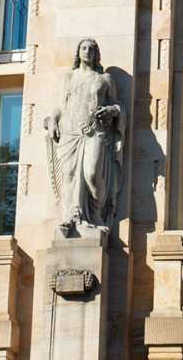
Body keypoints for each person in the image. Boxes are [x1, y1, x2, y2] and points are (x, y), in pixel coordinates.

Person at [46, 39, 124, 236]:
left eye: (91, 48)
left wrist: (111, 110)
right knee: (69, 176)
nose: (87, 51)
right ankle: (70, 217)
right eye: (83, 48)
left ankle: (96, 215)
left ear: (96, 53)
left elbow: (118, 106)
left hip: (94, 132)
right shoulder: (69, 78)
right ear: (78, 52)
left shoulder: (104, 79)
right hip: (70, 131)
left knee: (91, 174)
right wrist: (53, 120)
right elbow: (61, 107)